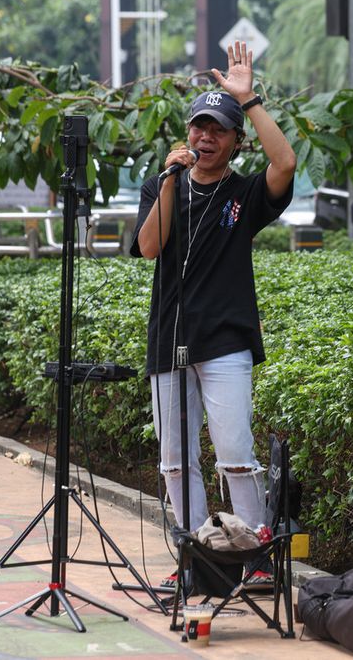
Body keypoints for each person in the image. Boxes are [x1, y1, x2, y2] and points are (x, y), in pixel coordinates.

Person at [130, 41, 296, 585]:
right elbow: (149, 247)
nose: (205, 137)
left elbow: (286, 162)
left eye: (218, 130)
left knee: (235, 456)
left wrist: (247, 100)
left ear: (235, 141)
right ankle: (197, 555)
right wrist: (170, 181)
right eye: (199, 127)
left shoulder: (244, 193)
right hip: (169, 340)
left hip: (225, 342)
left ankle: (253, 557)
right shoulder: (163, 185)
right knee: (175, 461)